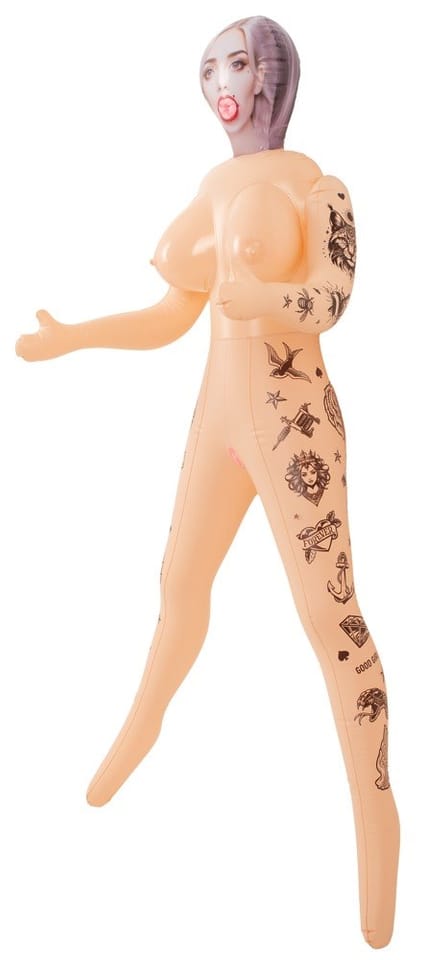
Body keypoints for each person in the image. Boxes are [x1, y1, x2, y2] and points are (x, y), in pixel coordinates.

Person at [15, 15, 400, 949]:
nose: (218, 82)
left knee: (332, 621)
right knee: (178, 584)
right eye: (207, 67)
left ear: (269, 77)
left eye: (233, 63)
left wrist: (266, 299)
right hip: (220, 420)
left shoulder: (319, 186)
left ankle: (376, 814)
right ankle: (140, 729)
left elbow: (332, 298)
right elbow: (170, 315)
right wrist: (76, 338)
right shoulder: (211, 190)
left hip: (296, 425)